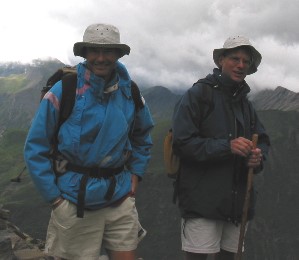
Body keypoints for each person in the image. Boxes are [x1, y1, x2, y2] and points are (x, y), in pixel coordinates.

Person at [24, 23, 154, 260]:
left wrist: (135, 176)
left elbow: (143, 136)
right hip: (74, 201)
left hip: (120, 196)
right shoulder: (64, 90)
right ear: (84, 53)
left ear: (118, 54)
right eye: (94, 50)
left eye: (108, 51)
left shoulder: (130, 92)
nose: (101, 58)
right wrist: (55, 199)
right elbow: (36, 146)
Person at [172, 36, 270, 260]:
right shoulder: (198, 95)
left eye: (246, 61)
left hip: (236, 205)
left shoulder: (245, 103)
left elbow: (262, 139)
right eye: (235, 59)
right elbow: (182, 143)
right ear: (220, 61)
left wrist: (258, 157)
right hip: (201, 203)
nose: (241, 65)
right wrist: (227, 147)